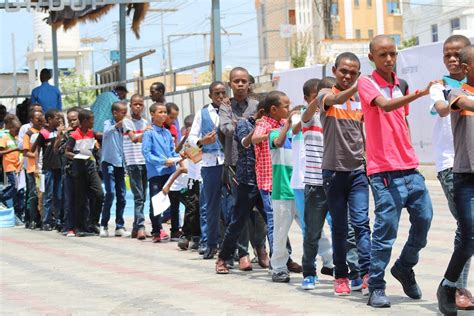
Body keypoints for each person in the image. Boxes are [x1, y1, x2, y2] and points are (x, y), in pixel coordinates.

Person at [358, 35, 435, 307]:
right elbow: (386, 105)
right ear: (371, 57)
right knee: (385, 231)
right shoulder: (366, 83)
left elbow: (402, 122)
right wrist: (421, 94)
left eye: (392, 53)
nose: (389, 59)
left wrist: (410, 155)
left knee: (425, 220)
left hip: (409, 169)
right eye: (383, 54)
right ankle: (376, 286)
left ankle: (404, 266)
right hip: (384, 172)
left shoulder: (401, 83)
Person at [317, 52, 372, 296]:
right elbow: (336, 98)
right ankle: (341, 275)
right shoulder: (324, 95)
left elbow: (364, 131)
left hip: (358, 172)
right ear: (334, 70)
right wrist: (358, 87)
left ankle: (368, 273)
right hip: (333, 173)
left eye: (353, 72)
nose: (348, 76)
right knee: (339, 227)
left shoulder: (361, 98)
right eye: (344, 71)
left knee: (361, 224)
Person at [429, 35, 473, 311]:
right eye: (448, 55)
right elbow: (447, 107)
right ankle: (451, 287)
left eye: (457, 54)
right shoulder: (455, 91)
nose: (452, 59)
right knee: (468, 233)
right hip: (461, 172)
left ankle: (453, 287)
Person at [215, 100, 269, 274]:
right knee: (238, 220)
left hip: (265, 179)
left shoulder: (275, 125)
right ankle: (225, 257)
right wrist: (256, 124)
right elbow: (244, 139)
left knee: (272, 220)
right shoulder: (242, 122)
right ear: (263, 112)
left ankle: (283, 258)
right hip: (246, 180)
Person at [298, 78, 334, 290]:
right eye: (319, 96)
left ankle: (348, 271)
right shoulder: (309, 118)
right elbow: (306, 114)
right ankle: (309, 272)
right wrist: (319, 99)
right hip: (314, 183)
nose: (324, 100)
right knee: (312, 232)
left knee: (344, 230)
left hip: (336, 182)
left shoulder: (339, 115)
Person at [261, 91, 298, 283]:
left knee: (312, 229)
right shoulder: (275, 133)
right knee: (280, 232)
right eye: (286, 106)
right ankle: (278, 267)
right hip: (282, 192)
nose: (289, 109)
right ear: (274, 110)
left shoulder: (294, 133)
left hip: (299, 191)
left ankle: (328, 261)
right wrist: (289, 124)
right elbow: (278, 141)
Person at [188, 82, 226, 259]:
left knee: (230, 206)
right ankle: (210, 243)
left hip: (228, 163)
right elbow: (191, 139)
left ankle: (228, 245)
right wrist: (202, 142)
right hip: (210, 164)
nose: (220, 96)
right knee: (210, 206)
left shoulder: (230, 110)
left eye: (223, 93)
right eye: (217, 93)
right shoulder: (202, 114)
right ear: (210, 95)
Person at [142, 103, 180, 243]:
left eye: (165, 112)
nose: (164, 115)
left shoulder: (167, 133)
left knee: (174, 200)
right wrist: (162, 162)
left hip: (170, 171)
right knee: (156, 201)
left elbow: (171, 151)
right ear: (152, 114)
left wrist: (176, 159)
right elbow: (146, 153)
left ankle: (175, 230)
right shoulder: (149, 132)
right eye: (160, 112)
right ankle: (156, 231)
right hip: (156, 172)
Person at [66, 109, 104, 237]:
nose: (94, 122)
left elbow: (100, 139)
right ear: (85, 121)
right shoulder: (74, 136)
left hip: (91, 168)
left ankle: (94, 222)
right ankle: (79, 227)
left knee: (99, 194)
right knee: (80, 199)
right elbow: (67, 152)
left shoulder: (92, 133)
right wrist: (77, 156)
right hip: (79, 169)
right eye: (92, 120)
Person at [99, 101, 130, 238]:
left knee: (122, 195)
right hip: (109, 162)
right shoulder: (108, 123)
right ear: (115, 113)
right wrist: (118, 125)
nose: (125, 115)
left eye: (126, 112)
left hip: (120, 163)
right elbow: (105, 132)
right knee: (110, 193)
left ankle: (120, 225)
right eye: (123, 113)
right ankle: (104, 224)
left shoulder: (126, 126)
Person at [123, 94, 150, 240]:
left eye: (140, 104)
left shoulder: (145, 122)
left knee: (143, 195)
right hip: (133, 162)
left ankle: (136, 227)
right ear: (131, 105)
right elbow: (134, 139)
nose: (138, 107)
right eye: (135, 104)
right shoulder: (127, 122)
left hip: (144, 161)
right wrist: (146, 132)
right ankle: (140, 226)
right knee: (139, 196)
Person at [31, 109, 63, 231]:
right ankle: (46, 221)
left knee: (58, 195)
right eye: (56, 118)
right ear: (49, 120)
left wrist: (60, 135)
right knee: (48, 195)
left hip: (58, 167)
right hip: (48, 168)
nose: (59, 120)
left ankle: (58, 220)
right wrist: (36, 166)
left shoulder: (58, 132)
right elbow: (37, 149)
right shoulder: (44, 133)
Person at [55, 107, 80, 237]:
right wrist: (60, 137)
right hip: (69, 170)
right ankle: (69, 226)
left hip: (84, 171)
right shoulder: (67, 134)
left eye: (74, 120)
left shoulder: (86, 132)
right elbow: (59, 150)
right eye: (70, 120)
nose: (72, 123)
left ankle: (85, 225)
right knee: (69, 200)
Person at [22, 110, 44, 230]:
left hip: (43, 168)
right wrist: (37, 156)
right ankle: (32, 219)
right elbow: (26, 152)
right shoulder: (28, 134)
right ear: (31, 120)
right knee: (33, 194)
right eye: (37, 118)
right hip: (32, 169)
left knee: (43, 195)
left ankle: (43, 218)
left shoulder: (45, 132)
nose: (40, 120)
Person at [0, 117, 22, 217]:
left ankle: (1, 195)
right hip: (9, 165)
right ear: (11, 128)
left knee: (14, 186)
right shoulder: (5, 138)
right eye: (16, 130)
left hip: (17, 166)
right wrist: (13, 150)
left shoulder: (16, 139)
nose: (17, 133)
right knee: (15, 186)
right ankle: (2, 199)